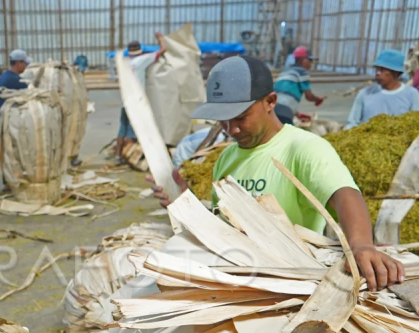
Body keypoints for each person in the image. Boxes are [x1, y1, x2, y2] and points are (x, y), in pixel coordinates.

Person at [149, 56, 404, 291]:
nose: (232, 130)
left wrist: (361, 244)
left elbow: (344, 193)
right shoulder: (226, 158)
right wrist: (186, 202)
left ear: (270, 101)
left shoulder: (303, 147)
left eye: (240, 118)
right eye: (223, 120)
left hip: (286, 280)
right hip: (237, 275)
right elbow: (222, 225)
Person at [116, 34, 167, 162]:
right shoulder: (142, 60)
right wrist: (160, 38)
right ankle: (128, 156)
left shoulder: (125, 63)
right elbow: (163, 50)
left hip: (125, 101)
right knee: (133, 131)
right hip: (136, 102)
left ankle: (118, 155)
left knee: (123, 128)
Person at [346, 49, 419, 129]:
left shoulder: (411, 94)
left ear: (396, 72)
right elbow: (352, 123)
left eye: (382, 69)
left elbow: (415, 124)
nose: (377, 73)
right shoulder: (365, 94)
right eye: (377, 69)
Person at [273, 46, 325, 125]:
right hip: (285, 112)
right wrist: (317, 99)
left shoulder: (285, 71)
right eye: (309, 60)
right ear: (302, 60)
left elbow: (283, 96)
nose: (310, 64)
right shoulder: (302, 72)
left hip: (272, 109)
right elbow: (309, 96)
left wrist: (296, 113)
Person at [0, 49, 31, 125]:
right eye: (25, 63)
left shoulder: (4, 76)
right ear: (19, 63)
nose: (26, 66)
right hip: (8, 119)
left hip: (0, 116)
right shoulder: (17, 81)